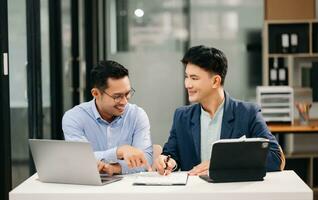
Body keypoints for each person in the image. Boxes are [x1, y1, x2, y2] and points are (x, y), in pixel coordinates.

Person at [154, 45, 285, 176]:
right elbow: (171, 154)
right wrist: (167, 161)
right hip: (194, 194)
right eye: (186, 76)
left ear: (215, 81)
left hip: (232, 193)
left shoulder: (248, 113)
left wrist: (223, 164)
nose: (187, 84)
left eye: (194, 78)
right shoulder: (182, 116)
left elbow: (275, 158)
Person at [62, 60, 153, 175]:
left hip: (128, 188)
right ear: (95, 93)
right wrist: (118, 152)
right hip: (88, 188)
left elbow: (146, 160)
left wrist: (115, 168)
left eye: (127, 93)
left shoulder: (137, 115)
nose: (124, 101)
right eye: (117, 96)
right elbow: (79, 158)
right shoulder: (74, 117)